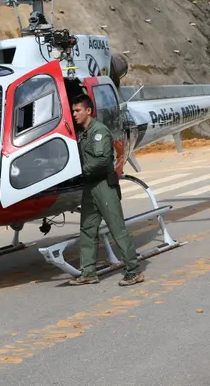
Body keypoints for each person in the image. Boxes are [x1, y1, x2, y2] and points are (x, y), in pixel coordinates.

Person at [69, 94, 144, 286]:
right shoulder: (84, 134)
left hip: (103, 185)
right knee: (87, 229)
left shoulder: (99, 132)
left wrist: (79, 172)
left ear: (88, 111)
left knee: (117, 229)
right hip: (90, 186)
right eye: (73, 110)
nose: (74, 114)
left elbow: (103, 161)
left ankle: (133, 271)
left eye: (77, 110)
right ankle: (88, 273)